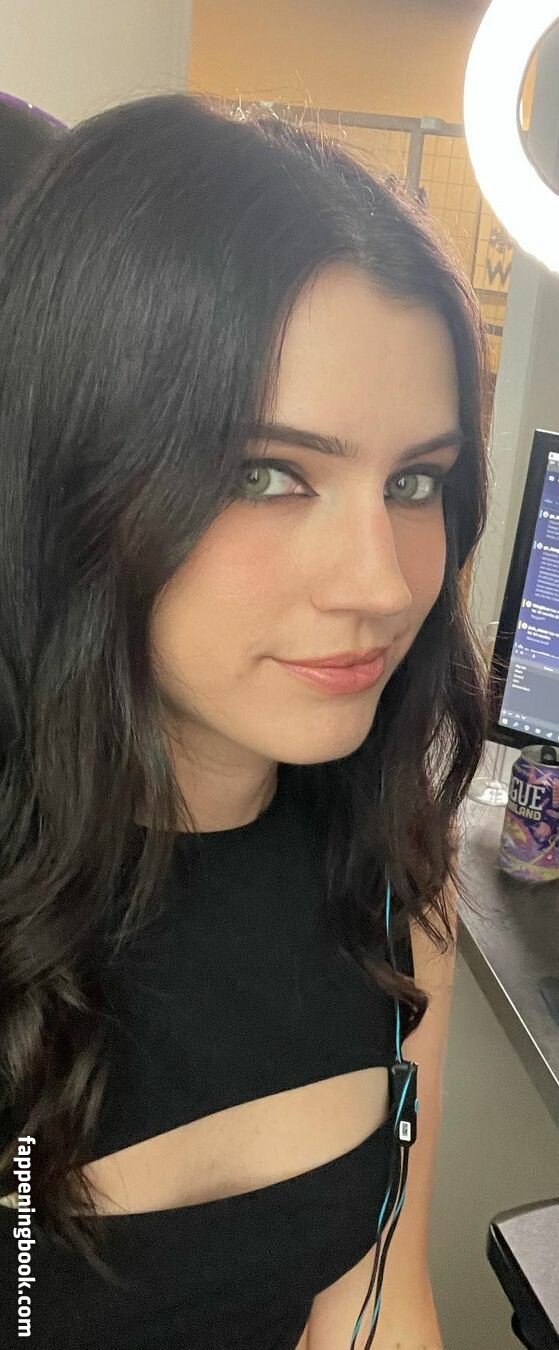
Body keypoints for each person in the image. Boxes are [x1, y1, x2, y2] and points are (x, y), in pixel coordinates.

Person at [0, 92, 490, 1349]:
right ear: (80, 474)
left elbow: (376, 1306)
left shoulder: (395, 876)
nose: (383, 582)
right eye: (268, 473)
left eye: (416, 480)